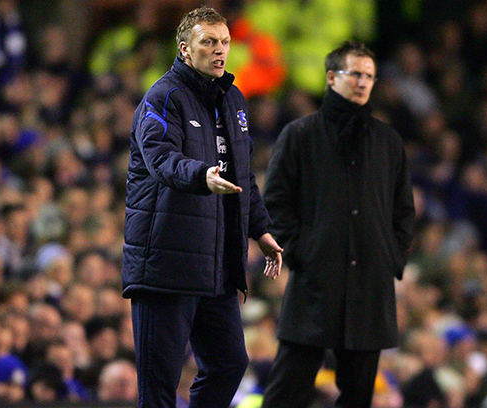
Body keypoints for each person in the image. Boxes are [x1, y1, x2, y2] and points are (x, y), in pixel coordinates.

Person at [122, 6, 283, 408]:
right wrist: (201, 175)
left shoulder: (234, 100)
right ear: (184, 49)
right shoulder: (162, 97)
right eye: (208, 42)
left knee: (229, 365)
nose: (219, 50)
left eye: (224, 42)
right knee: (158, 388)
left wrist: (260, 231)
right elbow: (160, 158)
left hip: (217, 266)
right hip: (165, 266)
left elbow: (244, 178)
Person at [262, 41, 415, 408]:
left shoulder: (388, 142)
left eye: (370, 76)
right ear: (332, 77)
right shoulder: (299, 135)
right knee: (287, 390)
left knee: (359, 396)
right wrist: (303, 254)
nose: (363, 83)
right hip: (316, 282)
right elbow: (276, 203)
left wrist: (391, 258)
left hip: (370, 286)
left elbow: (403, 212)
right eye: (355, 74)